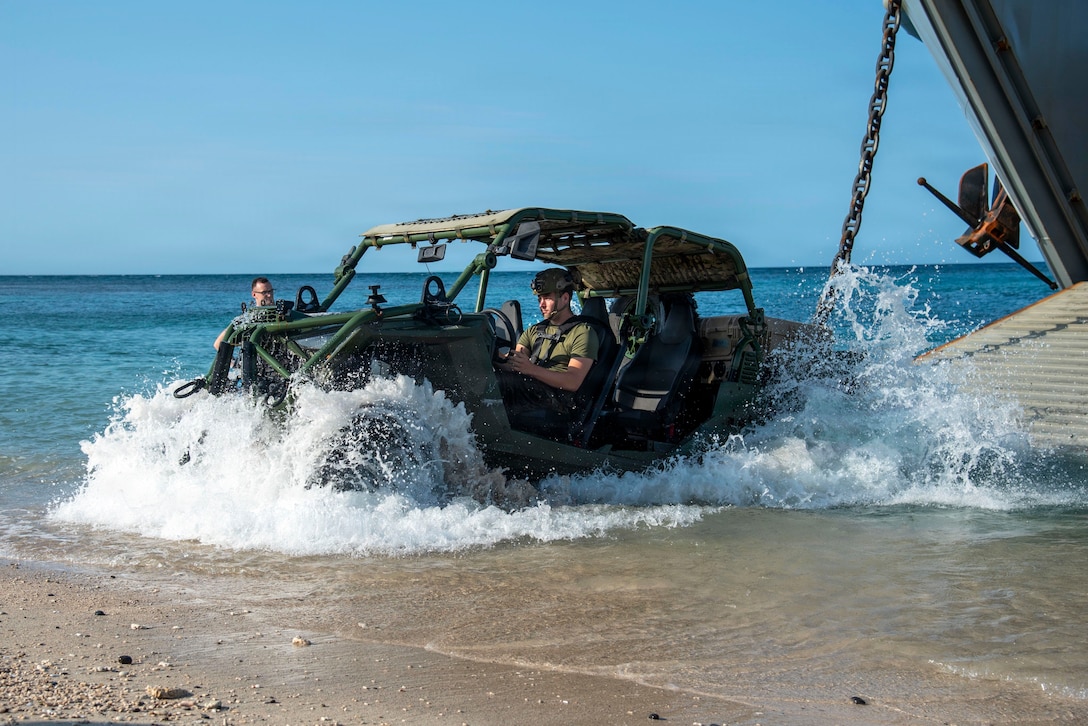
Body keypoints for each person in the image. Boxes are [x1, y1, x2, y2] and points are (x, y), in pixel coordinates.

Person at [497, 268, 599, 417]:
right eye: (539, 299)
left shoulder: (583, 333)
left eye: (547, 298)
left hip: (558, 401)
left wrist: (531, 369)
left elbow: (573, 381)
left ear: (565, 298)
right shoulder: (534, 331)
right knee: (487, 377)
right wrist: (491, 354)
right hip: (531, 390)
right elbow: (513, 363)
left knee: (498, 384)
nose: (541, 304)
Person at [214, 277, 275, 349]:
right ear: (254, 294)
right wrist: (232, 360)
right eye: (264, 292)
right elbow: (218, 344)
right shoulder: (247, 319)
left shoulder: (282, 314)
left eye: (271, 291)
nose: (269, 295)